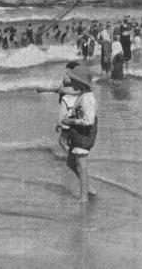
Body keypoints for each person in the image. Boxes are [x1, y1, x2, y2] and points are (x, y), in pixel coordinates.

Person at [59, 65, 98, 202]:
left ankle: (84, 198)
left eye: (74, 80)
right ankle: (89, 188)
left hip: (84, 133)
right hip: (78, 132)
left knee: (81, 163)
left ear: (80, 82)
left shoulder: (87, 98)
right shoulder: (82, 94)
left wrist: (71, 122)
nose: (71, 82)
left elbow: (89, 120)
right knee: (71, 161)